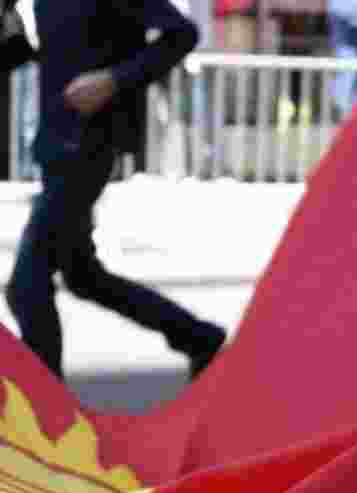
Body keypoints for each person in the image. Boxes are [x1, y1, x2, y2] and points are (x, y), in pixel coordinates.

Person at [0, 0, 226, 382]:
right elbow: (50, 51)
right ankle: (198, 337)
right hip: (55, 143)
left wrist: (112, 81)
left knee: (27, 286)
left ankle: (48, 407)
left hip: (91, 145)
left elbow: (181, 34)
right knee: (82, 275)